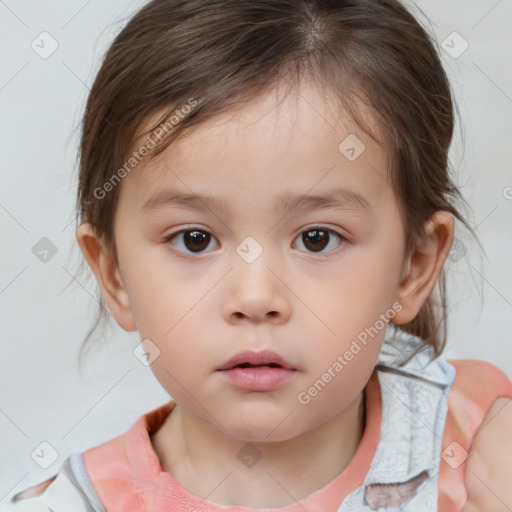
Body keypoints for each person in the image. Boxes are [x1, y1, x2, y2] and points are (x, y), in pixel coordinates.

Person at [3, 0, 512, 510]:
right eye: (194, 239)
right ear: (114, 274)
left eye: (317, 238)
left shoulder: (480, 439)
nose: (255, 297)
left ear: (414, 268)